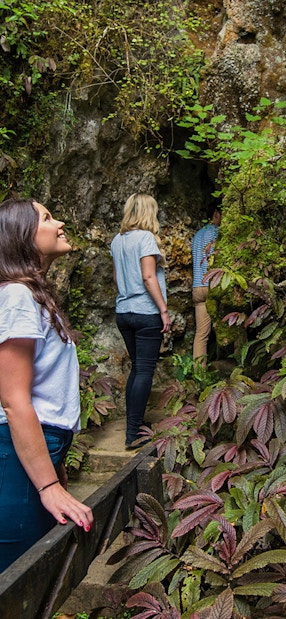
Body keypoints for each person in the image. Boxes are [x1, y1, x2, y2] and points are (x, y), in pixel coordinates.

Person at [0, 197, 94, 573]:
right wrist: (47, 486)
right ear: (22, 236)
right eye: (47, 218)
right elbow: (12, 399)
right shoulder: (17, 297)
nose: (59, 224)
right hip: (14, 456)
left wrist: (53, 473)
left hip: (33, 453)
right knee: (18, 580)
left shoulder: (30, 295)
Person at [110, 193, 171, 449]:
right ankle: (133, 432)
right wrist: (164, 311)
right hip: (146, 312)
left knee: (137, 368)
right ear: (149, 212)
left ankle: (134, 423)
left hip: (124, 312)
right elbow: (148, 277)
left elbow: (116, 278)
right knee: (145, 370)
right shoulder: (145, 238)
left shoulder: (117, 240)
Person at [191, 202, 222, 366]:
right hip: (212, 286)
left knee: (201, 334)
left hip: (197, 287)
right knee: (228, 329)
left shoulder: (197, 235)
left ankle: (199, 375)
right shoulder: (216, 233)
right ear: (216, 214)